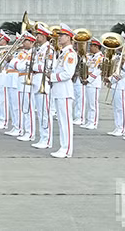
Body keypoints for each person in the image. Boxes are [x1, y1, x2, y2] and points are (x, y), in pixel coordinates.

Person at [49, 24, 76, 158]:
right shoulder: (63, 53)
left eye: (62, 35)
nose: (59, 38)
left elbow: (68, 74)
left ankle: (67, 149)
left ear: (69, 37)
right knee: (61, 121)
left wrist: (52, 77)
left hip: (65, 91)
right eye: (59, 35)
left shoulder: (70, 53)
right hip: (59, 91)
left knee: (66, 122)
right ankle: (63, 146)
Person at [31, 24, 54, 149]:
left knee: (45, 112)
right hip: (37, 81)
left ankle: (47, 139)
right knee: (40, 112)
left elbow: (48, 65)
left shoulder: (49, 49)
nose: (36, 37)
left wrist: (33, 67)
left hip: (43, 80)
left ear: (44, 36)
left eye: (38, 35)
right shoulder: (40, 49)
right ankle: (42, 137)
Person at [81, 37, 104, 130]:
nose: (90, 47)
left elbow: (98, 70)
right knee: (89, 103)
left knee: (93, 104)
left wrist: (89, 79)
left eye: (92, 46)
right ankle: (89, 120)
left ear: (96, 46)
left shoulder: (100, 57)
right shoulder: (91, 56)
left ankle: (94, 122)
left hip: (94, 82)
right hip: (88, 81)